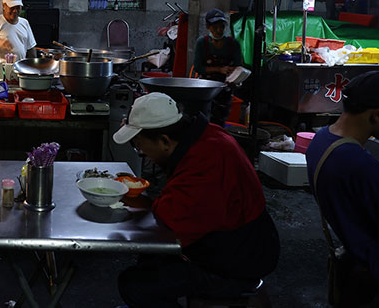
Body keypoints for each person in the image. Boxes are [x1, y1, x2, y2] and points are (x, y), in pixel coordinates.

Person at [114, 92, 279, 307]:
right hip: (237, 240)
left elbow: (174, 222)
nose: (142, 153)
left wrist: (145, 204)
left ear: (164, 140)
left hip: (237, 260)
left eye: (140, 146)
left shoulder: (204, 163)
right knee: (149, 261)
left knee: (136, 285)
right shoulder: (206, 135)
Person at [306, 71, 379, 303]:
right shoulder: (356, 163)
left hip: (353, 250)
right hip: (374, 263)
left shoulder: (322, 139)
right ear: (377, 115)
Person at [192, 8, 244, 126]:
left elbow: (238, 66)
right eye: (215, 27)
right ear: (208, 27)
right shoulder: (202, 43)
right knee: (203, 118)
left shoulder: (233, 44)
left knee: (220, 119)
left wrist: (234, 73)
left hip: (225, 87)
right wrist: (219, 69)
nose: (219, 30)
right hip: (206, 87)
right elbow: (198, 67)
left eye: (221, 27)